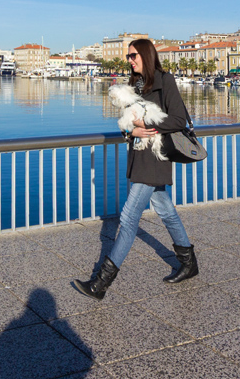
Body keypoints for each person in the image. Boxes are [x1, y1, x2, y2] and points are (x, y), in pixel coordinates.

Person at [73, 38, 197, 300]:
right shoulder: (132, 85)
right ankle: (189, 263)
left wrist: (147, 125)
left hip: (155, 158)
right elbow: (126, 125)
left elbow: (177, 119)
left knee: (128, 218)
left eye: (133, 55)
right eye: (128, 56)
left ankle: (100, 284)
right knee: (165, 210)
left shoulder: (166, 81)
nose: (129, 60)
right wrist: (132, 129)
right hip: (139, 156)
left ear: (146, 55)